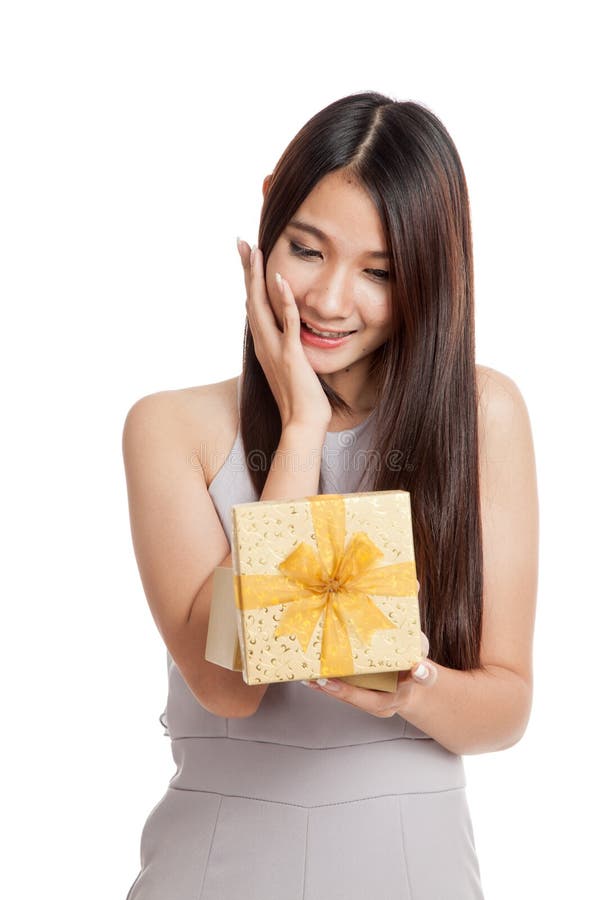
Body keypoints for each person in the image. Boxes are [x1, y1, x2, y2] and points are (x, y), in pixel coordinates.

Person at [121, 91, 538, 899]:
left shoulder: (482, 415)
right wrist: (301, 428)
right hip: (216, 863)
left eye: (379, 272)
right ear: (272, 203)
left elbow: (507, 705)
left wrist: (411, 685)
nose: (329, 299)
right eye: (308, 250)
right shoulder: (170, 428)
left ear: (427, 274)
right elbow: (231, 687)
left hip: (413, 861)